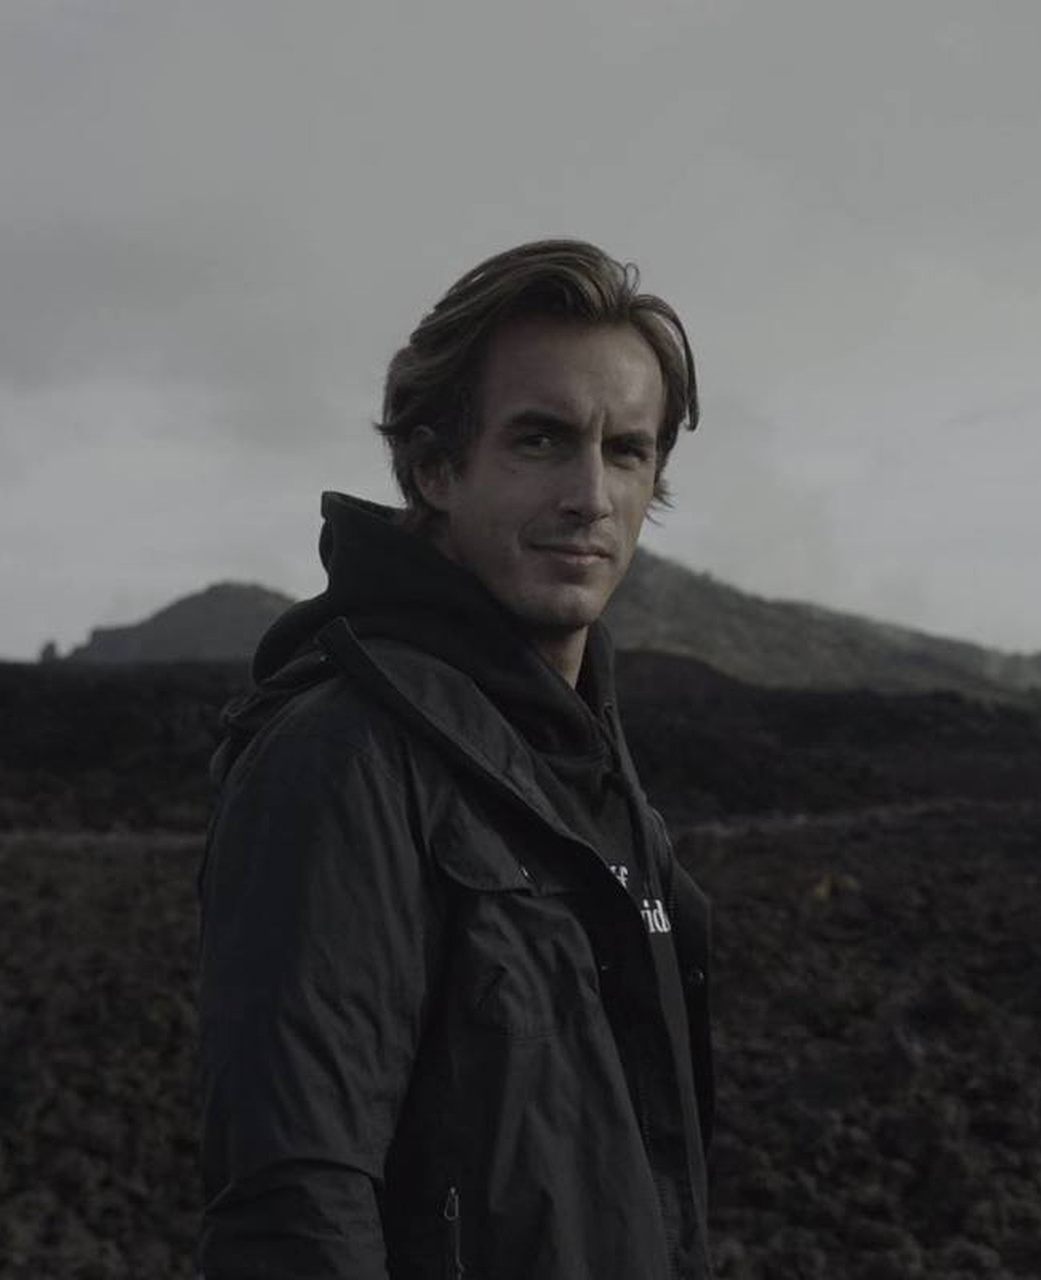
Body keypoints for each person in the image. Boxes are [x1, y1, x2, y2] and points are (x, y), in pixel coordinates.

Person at [197, 239, 714, 1278]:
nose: (590, 495)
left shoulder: (603, 787)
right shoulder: (341, 758)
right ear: (435, 468)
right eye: (540, 440)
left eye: (625, 451)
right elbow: (297, 1203)